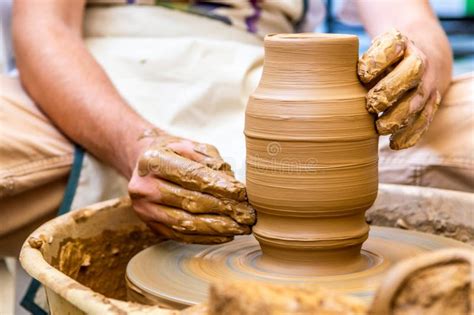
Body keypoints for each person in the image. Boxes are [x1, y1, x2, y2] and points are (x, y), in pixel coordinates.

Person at [1, 0, 471, 252]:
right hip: (89, 75)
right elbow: (43, 31)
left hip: (262, 70)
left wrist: (420, 64)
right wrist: (134, 142)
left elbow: (412, 20)